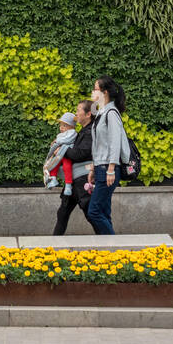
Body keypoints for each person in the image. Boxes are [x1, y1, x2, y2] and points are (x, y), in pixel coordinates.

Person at [87, 76, 130, 235]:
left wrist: (111, 169)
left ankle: (114, 243)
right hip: (101, 168)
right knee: (104, 212)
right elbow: (98, 145)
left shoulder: (111, 113)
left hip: (108, 169)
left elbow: (115, 142)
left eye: (95, 89)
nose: (92, 92)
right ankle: (109, 248)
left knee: (94, 212)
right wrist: (93, 168)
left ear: (104, 92)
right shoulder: (101, 113)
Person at [53, 100, 95, 236]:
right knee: (62, 212)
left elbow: (80, 154)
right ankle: (54, 243)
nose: (76, 114)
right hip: (75, 179)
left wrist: (61, 150)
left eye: (78, 110)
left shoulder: (90, 132)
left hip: (83, 179)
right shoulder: (83, 131)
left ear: (88, 114)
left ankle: (108, 240)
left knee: (92, 215)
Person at [42, 112, 79, 189]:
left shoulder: (73, 133)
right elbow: (59, 141)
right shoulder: (61, 135)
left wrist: (57, 143)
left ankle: (68, 184)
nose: (61, 128)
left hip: (66, 154)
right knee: (54, 165)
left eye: (64, 125)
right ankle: (53, 179)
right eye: (60, 125)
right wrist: (55, 143)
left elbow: (66, 140)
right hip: (60, 154)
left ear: (72, 126)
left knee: (67, 166)